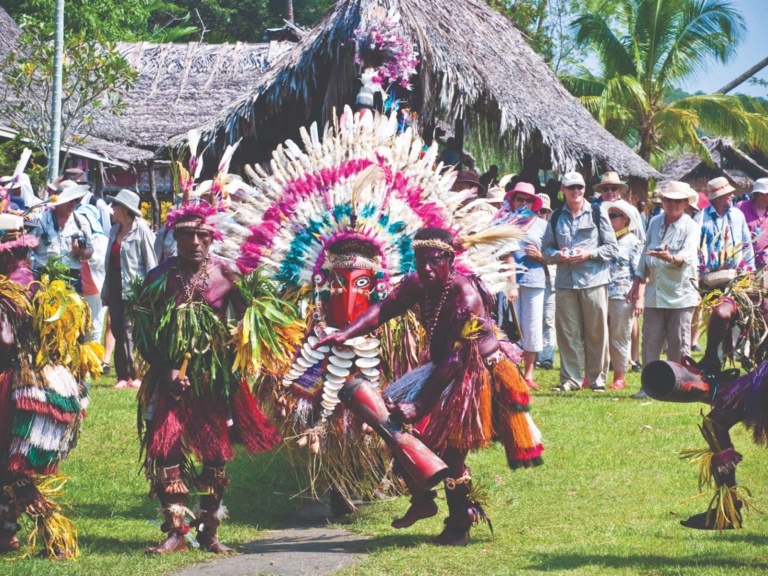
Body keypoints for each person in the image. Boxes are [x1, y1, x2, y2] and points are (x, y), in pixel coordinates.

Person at [317, 227, 543, 546]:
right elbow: (384, 309)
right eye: (419, 260)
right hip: (443, 366)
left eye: (433, 260)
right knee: (391, 424)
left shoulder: (464, 295)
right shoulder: (417, 283)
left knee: (451, 450)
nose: (425, 267)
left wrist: (419, 404)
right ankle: (422, 499)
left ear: (449, 260)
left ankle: (459, 523)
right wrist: (346, 333)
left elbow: (456, 359)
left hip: (477, 372)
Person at [131, 204, 280, 554]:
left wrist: (242, 341)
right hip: (171, 381)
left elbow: (250, 319)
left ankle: (209, 531)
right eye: (186, 234)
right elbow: (142, 333)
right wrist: (164, 369)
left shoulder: (227, 275)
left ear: (213, 238)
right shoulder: (158, 278)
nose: (195, 242)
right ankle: (176, 533)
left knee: (215, 455)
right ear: (174, 237)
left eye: (202, 235)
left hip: (213, 380)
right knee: (166, 450)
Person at [0, 212, 101, 558]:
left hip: (16, 385)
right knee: (8, 466)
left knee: (12, 467)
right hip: (34, 383)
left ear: (8, 252)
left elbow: (5, 340)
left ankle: (52, 534)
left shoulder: (12, 286)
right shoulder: (32, 278)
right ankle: (8, 535)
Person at [542, 171, 618, 392]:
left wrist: (589, 254)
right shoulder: (555, 216)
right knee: (568, 333)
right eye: (571, 187)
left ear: (585, 189)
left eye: (580, 187)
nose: (576, 191)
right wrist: (559, 255)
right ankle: (571, 380)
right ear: (562, 190)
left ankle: (597, 381)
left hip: (594, 281)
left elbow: (612, 247)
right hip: (565, 282)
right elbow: (545, 250)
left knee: (596, 332)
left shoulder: (597, 212)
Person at [628, 182, 700, 398]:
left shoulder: (691, 226)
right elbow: (645, 253)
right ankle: (648, 387)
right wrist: (637, 281)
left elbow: (688, 256)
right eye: (668, 200)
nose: (672, 205)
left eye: (677, 201)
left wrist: (671, 258)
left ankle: (679, 388)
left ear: (686, 203)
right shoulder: (655, 221)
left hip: (680, 294)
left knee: (678, 343)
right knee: (650, 341)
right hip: (655, 292)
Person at [695, 177, 754, 372]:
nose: (732, 195)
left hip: (736, 277)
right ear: (717, 197)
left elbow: (746, 244)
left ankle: (743, 355)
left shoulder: (737, 216)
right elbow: (694, 249)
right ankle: (713, 356)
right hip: (710, 281)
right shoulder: (701, 218)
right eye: (728, 193)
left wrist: (750, 270)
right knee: (719, 315)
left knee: (736, 316)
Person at [102, 189, 157, 389]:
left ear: (125, 209)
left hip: (135, 286)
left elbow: (150, 261)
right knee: (116, 327)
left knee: (129, 329)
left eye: (115, 205)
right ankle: (122, 376)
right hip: (116, 283)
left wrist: (151, 290)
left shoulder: (141, 229)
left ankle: (135, 375)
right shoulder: (113, 231)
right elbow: (108, 264)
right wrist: (106, 291)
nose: (112, 209)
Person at [499, 182, 547, 389]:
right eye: (520, 199)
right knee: (511, 325)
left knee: (533, 326)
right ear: (513, 200)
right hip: (509, 281)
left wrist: (541, 256)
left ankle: (529, 373)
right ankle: (512, 371)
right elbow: (502, 253)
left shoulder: (542, 225)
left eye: (528, 200)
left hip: (535, 279)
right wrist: (511, 284)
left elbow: (552, 255)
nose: (524, 203)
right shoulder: (503, 222)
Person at [602, 200, 644, 390]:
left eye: (613, 216)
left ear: (625, 220)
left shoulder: (633, 242)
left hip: (622, 294)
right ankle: (595, 375)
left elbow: (641, 273)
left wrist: (639, 298)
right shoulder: (603, 240)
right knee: (597, 335)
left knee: (620, 335)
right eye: (607, 216)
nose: (609, 220)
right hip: (600, 292)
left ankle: (619, 376)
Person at [31, 181, 95, 294]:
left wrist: (81, 252)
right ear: (59, 198)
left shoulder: (81, 221)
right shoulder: (40, 219)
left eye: (77, 200)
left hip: (71, 278)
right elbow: (27, 248)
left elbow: (90, 250)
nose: (74, 204)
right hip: (45, 277)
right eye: (71, 200)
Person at [536, 193, 556, 369]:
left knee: (549, 319)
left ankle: (547, 356)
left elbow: (555, 257)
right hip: (532, 280)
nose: (539, 214)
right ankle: (534, 354)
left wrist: (540, 257)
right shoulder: (527, 229)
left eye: (542, 211)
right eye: (536, 210)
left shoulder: (553, 229)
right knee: (533, 319)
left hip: (550, 279)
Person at [737, 177, 768, 269]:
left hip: (765, 265)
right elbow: (731, 231)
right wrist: (746, 236)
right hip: (743, 264)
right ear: (761, 194)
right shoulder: (741, 207)